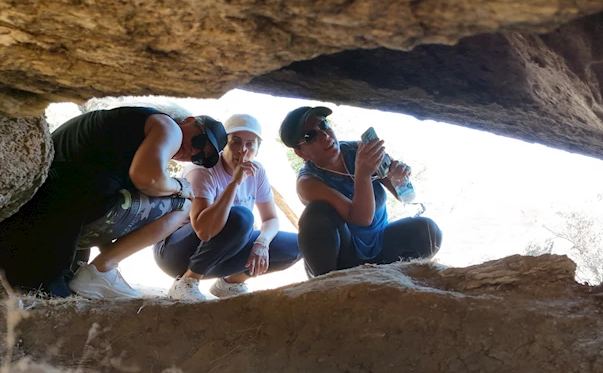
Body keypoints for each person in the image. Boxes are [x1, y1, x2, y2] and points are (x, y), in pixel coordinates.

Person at [0, 105, 227, 298]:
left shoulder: (127, 128)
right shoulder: (168, 126)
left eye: (200, 157)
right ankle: (102, 270)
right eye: (199, 140)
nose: (193, 151)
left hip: (40, 209)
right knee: (183, 204)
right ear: (188, 121)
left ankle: (98, 271)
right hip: (66, 206)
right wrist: (181, 187)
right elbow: (149, 179)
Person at [279, 106, 442, 276]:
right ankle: (328, 286)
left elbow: (405, 196)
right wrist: (362, 174)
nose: (325, 136)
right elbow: (361, 218)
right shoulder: (308, 182)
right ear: (300, 153)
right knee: (315, 214)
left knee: (429, 231)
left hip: (381, 244)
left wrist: (399, 178)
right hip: (344, 257)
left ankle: (394, 279)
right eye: (310, 136)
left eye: (324, 125)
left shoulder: (358, 150)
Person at [154, 114, 301, 301]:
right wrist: (235, 184)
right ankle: (187, 282)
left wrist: (261, 244)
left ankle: (230, 284)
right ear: (224, 144)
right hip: (174, 251)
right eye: (236, 142)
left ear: (257, 149)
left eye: (250, 144)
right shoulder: (202, 170)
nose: (243, 151)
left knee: (296, 246)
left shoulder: (257, 171)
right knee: (242, 217)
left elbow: (271, 219)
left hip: (220, 252)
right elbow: (203, 231)